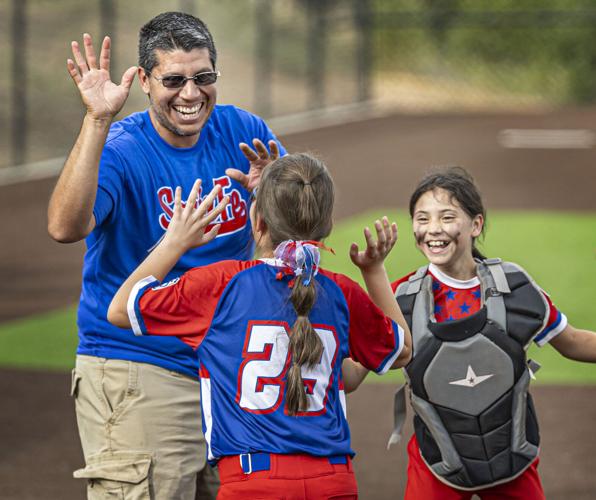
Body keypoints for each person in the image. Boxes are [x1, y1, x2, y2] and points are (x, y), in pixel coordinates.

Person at [47, 11, 286, 499]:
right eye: (174, 80)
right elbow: (64, 227)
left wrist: (273, 202)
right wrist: (97, 119)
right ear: (145, 82)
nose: (191, 94)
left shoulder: (243, 131)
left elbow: (283, 248)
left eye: (203, 77)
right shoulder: (121, 149)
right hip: (139, 366)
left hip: (225, 372)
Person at [107, 153, 412, 499]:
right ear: (326, 224)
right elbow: (399, 353)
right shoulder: (341, 291)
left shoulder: (220, 285)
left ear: (257, 220)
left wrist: (175, 241)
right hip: (334, 481)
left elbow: (120, 308)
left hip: (254, 483)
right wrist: (373, 272)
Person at [343, 166, 596, 499]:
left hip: (511, 462)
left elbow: (573, 341)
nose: (433, 229)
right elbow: (352, 375)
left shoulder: (514, 288)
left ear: (476, 224)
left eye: (447, 217)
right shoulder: (400, 298)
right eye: (422, 219)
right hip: (435, 467)